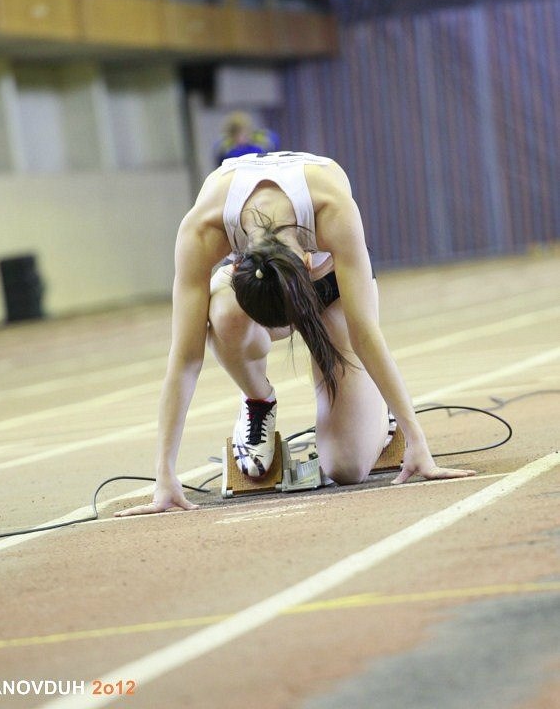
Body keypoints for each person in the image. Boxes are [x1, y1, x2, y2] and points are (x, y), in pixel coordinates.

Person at [116, 151, 475, 517]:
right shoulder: (202, 228)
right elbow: (185, 358)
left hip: (332, 289)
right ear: (237, 263)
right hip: (261, 286)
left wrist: (418, 440)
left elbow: (366, 333)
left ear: (306, 261)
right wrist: (164, 475)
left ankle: (380, 417)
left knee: (347, 467)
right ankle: (258, 401)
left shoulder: (333, 211)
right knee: (224, 314)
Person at [213, 111, 280, 167]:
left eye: (244, 133)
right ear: (231, 135)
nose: (241, 137)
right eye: (237, 134)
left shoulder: (258, 143)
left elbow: (274, 143)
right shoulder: (227, 150)